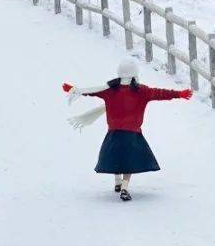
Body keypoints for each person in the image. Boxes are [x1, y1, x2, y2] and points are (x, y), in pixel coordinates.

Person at [62, 61, 191, 201]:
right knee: (128, 161)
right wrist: (179, 94)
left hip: (113, 133)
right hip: (132, 134)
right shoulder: (142, 91)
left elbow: (91, 91)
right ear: (135, 74)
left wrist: (74, 89)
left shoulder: (109, 90)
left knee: (116, 157)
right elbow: (161, 93)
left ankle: (117, 182)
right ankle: (124, 187)